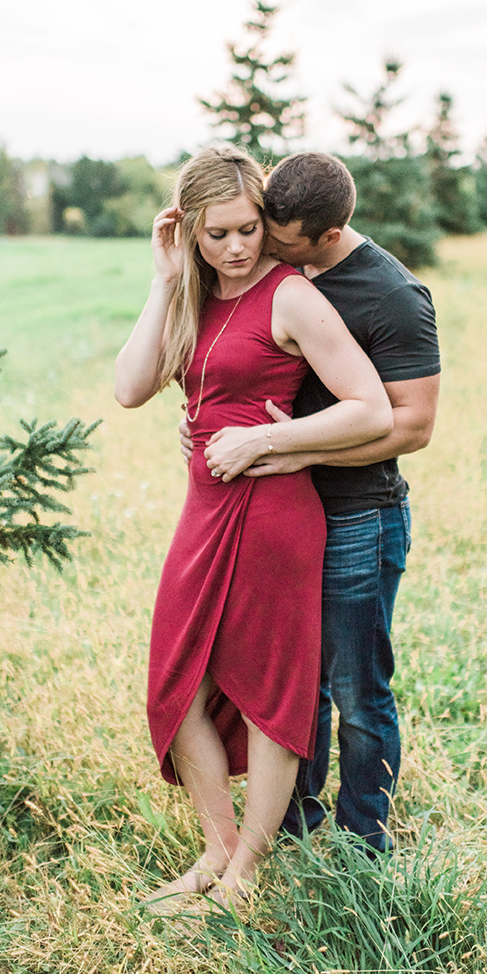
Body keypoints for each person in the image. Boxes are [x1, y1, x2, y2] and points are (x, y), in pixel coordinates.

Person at [114, 144, 392, 910]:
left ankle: (243, 875)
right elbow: (130, 387)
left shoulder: (290, 296)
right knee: (178, 686)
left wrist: (268, 440)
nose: (236, 249)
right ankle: (216, 848)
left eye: (247, 231)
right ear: (189, 231)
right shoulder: (188, 294)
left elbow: (367, 406)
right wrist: (164, 279)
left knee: (272, 694)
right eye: (217, 235)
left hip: (273, 514)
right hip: (203, 509)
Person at [182, 151, 440, 853]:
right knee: (295, 682)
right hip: (279, 513)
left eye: (276, 238)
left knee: (357, 691)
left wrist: (285, 447)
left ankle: (364, 841)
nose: (259, 246)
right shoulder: (285, 276)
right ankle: (294, 824)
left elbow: (410, 425)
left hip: (359, 512)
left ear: (325, 235)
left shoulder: (391, 295)